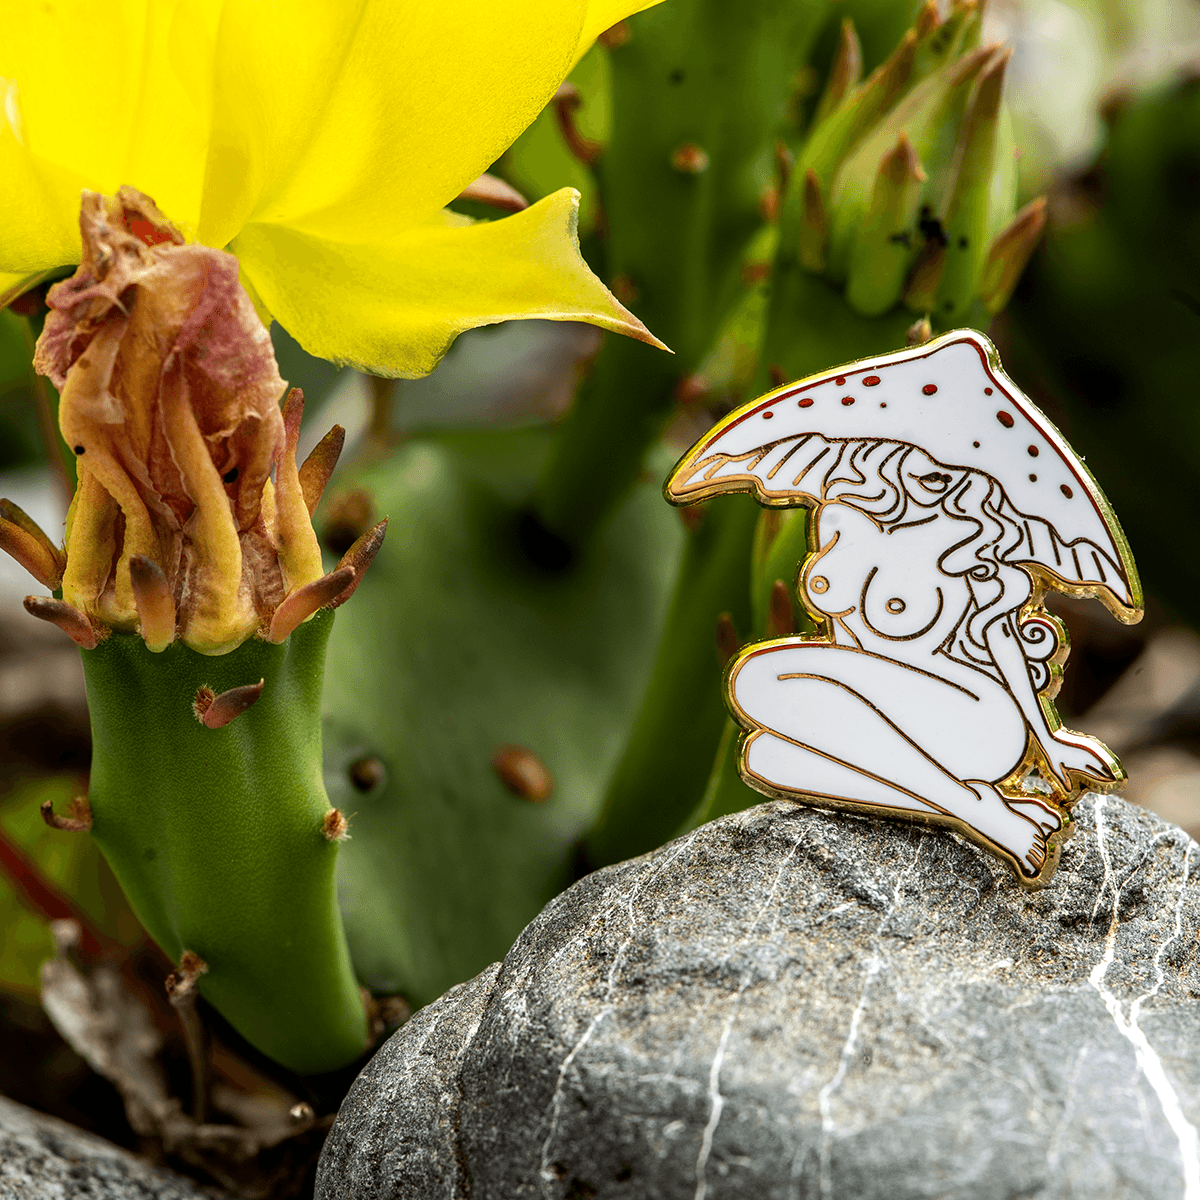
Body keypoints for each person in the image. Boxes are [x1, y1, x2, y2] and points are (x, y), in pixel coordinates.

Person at [721, 434, 1123, 879]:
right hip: (879, 713)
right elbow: (850, 643)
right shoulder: (843, 517)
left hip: (972, 720)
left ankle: (975, 811)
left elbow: (1000, 637)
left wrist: (1047, 740)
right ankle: (967, 806)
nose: (926, 472)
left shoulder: (973, 542)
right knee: (764, 758)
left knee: (757, 677)